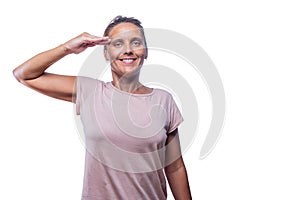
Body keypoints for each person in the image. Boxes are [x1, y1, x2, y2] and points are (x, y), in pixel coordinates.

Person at [13, 16, 192, 200]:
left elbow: (175, 167)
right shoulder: (90, 91)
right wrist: (67, 48)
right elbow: (24, 75)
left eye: (136, 42)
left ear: (145, 52)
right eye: (118, 43)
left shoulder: (163, 100)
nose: (128, 50)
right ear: (106, 53)